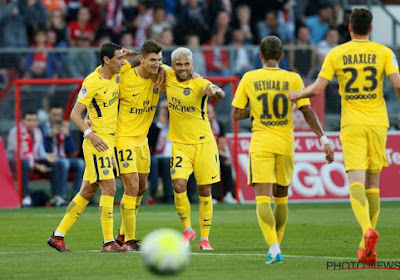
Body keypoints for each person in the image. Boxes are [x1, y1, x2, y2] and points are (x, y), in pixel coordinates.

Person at [288, 8, 400, 265]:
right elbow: (398, 84)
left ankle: (366, 232)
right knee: (374, 185)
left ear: (349, 28)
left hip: (352, 124)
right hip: (378, 123)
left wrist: (297, 95)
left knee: (356, 184)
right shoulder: (384, 52)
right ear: (370, 28)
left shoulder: (336, 53)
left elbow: (317, 89)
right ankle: (365, 247)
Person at [232, 35, 334, 264]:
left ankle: (274, 246)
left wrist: (254, 110)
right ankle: (276, 246)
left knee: (262, 200)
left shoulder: (249, 78)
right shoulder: (293, 78)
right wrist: (324, 139)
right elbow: (306, 111)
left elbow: (236, 115)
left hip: (261, 143)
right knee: (281, 198)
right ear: (281, 56)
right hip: (285, 143)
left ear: (260, 55)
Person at [47, 43, 134, 252]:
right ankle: (108, 242)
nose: (123, 62)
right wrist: (90, 134)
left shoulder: (118, 74)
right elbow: (75, 115)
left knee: (87, 190)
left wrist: (130, 53)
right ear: (106, 60)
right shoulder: (92, 81)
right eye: (119, 58)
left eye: (123, 58)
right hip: (98, 142)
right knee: (110, 187)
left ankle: (57, 236)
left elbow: (144, 60)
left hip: (110, 140)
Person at [165, 47, 225, 250]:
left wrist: (214, 91)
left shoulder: (200, 83)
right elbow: (150, 62)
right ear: (173, 65)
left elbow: (220, 91)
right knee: (178, 185)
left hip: (204, 144)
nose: (182, 68)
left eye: (186, 64)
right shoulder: (167, 75)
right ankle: (188, 230)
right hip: (180, 144)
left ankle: (204, 239)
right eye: (179, 64)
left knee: (205, 190)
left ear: (192, 65)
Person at [113, 39, 164, 251]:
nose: (156, 64)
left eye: (159, 60)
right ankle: (130, 241)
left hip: (142, 141)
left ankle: (121, 235)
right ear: (141, 59)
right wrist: (89, 117)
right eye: (152, 60)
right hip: (123, 138)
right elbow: (103, 86)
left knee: (142, 188)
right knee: (131, 186)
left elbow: (184, 73)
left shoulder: (161, 77)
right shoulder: (124, 75)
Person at [7, 109, 70, 207]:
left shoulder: (37, 132)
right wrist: (37, 166)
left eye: (34, 120)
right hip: (16, 163)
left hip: (34, 161)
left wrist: (48, 157)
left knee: (58, 163)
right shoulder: (16, 132)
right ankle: (25, 197)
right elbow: (17, 155)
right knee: (23, 163)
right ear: (24, 121)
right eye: (29, 120)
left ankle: (57, 197)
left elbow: (39, 152)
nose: (32, 123)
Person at [41, 103, 85, 198]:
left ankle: (77, 195)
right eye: (54, 115)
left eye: (59, 115)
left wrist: (67, 136)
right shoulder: (43, 128)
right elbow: (41, 148)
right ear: (49, 114)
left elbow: (72, 150)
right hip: (48, 159)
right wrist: (50, 136)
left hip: (63, 158)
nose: (57, 118)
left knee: (81, 163)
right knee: (64, 163)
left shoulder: (65, 127)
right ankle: (61, 196)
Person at [207, 104, 236, 204]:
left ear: (214, 114)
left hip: (216, 152)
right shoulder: (200, 126)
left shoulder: (219, 125)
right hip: (203, 153)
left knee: (226, 163)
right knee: (211, 165)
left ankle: (229, 193)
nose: (206, 115)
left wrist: (216, 152)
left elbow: (222, 143)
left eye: (208, 112)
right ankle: (213, 195)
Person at [147, 99, 174, 204]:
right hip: (158, 155)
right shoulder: (155, 126)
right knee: (156, 162)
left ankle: (169, 195)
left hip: (175, 154)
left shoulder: (177, 125)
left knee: (167, 162)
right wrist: (160, 124)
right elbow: (151, 142)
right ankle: (155, 192)